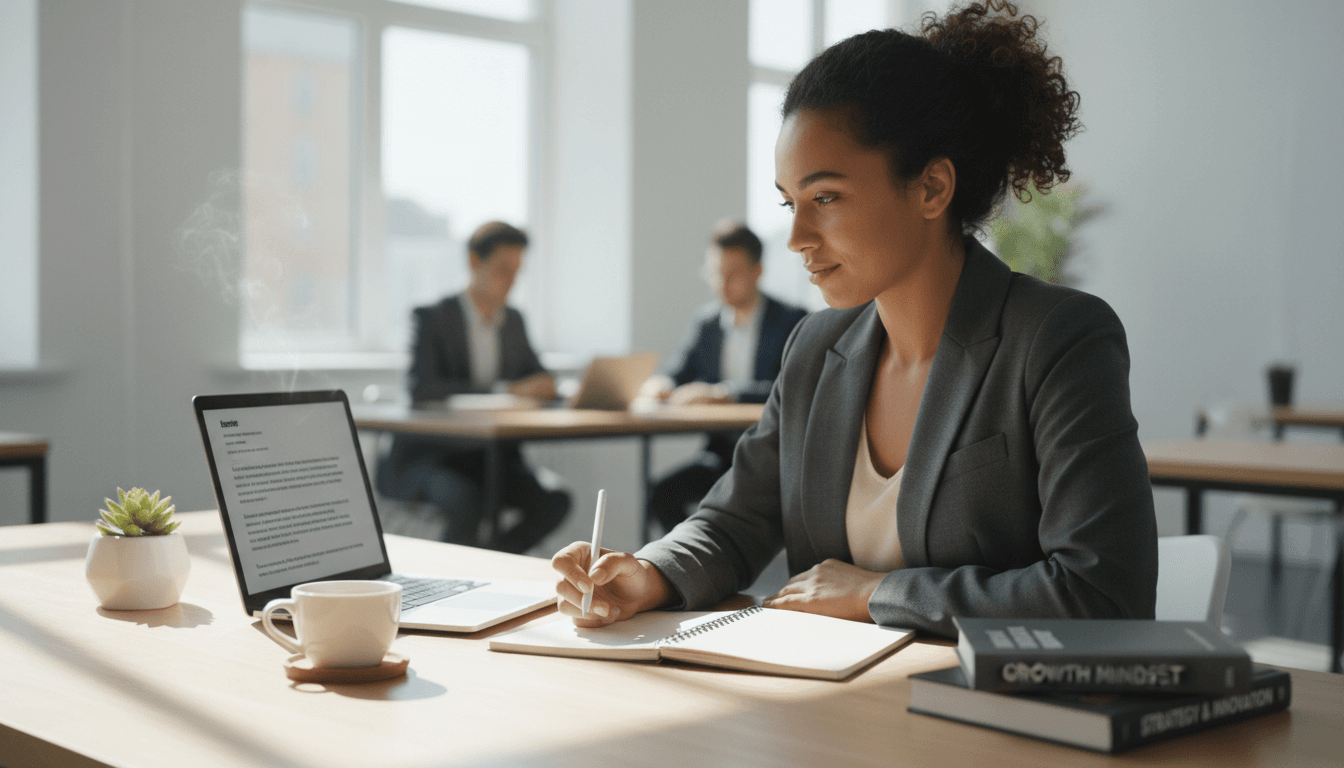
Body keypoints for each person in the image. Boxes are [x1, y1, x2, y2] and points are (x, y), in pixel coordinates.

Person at [552, 1, 1157, 637]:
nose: (796, 237)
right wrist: (651, 573)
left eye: (826, 198)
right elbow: (737, 518)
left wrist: (880, 594)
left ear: (930, 189)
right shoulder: (816, 346)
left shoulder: (1057, 338)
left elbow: (1104, 594)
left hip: (981, 715)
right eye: (790, 203)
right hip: (831, 712)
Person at [376, 221, 570, 554]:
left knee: (553, 500)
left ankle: (496, 560)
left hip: (492, 459)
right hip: (431, 458)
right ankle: (457, 586)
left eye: (517, 272)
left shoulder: (514, 321)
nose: (510, 282)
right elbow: (424, 389)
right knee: (467, 500)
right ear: (473, 263)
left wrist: (550, 387)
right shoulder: (432, 318)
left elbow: (537, 377)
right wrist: (504, 391)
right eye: (503, 270)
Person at [644, 222, 807, 534]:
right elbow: (678, 374)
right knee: (661, 495)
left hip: (773, 458)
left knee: (734, 504)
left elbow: (793, 388)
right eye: (714, 272)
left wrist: (725, 393)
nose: (721, 282)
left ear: (757, 271)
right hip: (720, 456)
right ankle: (689, 566)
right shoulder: (707, 323)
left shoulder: (792, 320)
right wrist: (661, 386)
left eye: (732, 273)